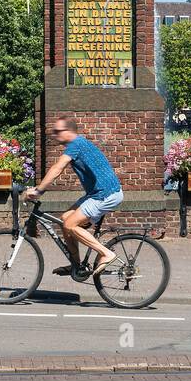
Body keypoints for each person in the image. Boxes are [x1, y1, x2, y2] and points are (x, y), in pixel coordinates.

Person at [22, 115, 123, 275]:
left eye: (57, 131)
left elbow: (57, 168)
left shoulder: (75, 144)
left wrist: (38, 191)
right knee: (65, 220)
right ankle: (77, 265)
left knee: (70, 225)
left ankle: (107, 254)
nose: (55, 135)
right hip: (97, 193)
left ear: (68, 131)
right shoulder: (78, 143)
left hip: (105, 194)